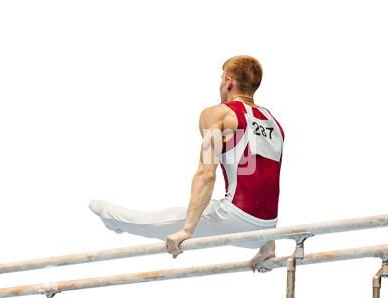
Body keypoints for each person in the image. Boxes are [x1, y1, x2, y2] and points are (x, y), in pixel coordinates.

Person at [89, 55, 284, 272]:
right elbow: (266, 179)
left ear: (228, 81)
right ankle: (114, 221)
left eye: (221, 80)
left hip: (235, 218)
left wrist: (187, 230)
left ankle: (112, 218)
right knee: (174, 215)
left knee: (154, 221)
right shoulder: (273, 122)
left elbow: (206, 172)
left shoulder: (218, 114)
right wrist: (267, 241)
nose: (220, 86)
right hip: (266, 227)